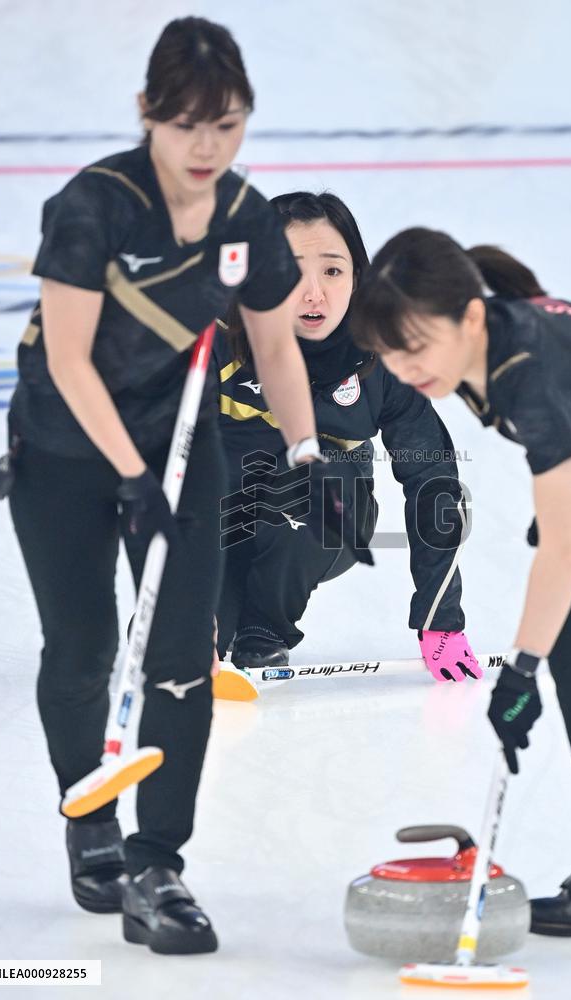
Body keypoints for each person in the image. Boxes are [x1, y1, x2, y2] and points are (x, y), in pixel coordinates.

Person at [0, 17, 339, 956]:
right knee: (82, 644)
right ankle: (92, 821)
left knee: (183, 656)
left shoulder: (246, 219)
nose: (206, 147)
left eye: (226, 126)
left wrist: (308, 454)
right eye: (187, 124)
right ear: (148, 113)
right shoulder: (94, 206)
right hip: (65, 448)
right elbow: (67, 358)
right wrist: (129, 473)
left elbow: (273, 345)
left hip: (181, 452)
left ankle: (157, 864)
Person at [350, 229, 571, 937]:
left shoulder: (529, 372)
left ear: (471, 319)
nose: (403, 366)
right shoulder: (482, 354)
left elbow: (563, 552)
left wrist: (519, 672)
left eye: (415, 346)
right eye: (389, 351)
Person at [214, 192, 480, 683]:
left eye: (332, 271)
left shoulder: (380, 358)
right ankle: (214, 616)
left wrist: (440, 621)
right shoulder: (215, 338)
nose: (314, 293)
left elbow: (434, 482)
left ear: (358, 276)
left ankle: (263, 629)